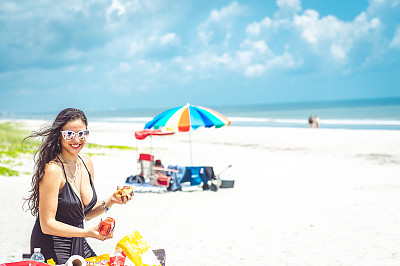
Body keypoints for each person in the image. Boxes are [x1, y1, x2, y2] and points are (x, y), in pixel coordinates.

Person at [23, 108, 133, 264]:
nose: (76, 140)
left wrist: (111, 200)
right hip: (52, 245)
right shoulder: (53, 170)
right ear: (59, 136)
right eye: (69, 134)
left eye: (82, 134)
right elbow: (47, 224)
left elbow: (84, 214)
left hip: (79, 241)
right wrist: (87, 232)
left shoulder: (87, 164)